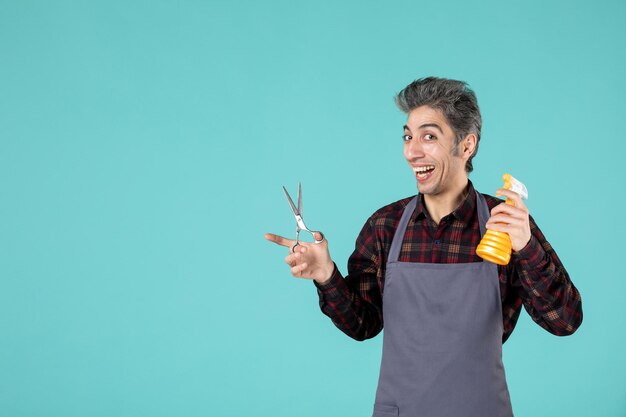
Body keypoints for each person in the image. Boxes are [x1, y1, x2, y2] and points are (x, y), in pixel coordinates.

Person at [265, 76, 582, 417]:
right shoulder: (384, 226)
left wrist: (526, 246)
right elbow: (363, 324)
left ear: (467, 145)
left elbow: (563, 321)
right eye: (408, 136)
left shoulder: (505, 224)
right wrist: (326, 275)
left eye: (428, 136)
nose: (411, 151)